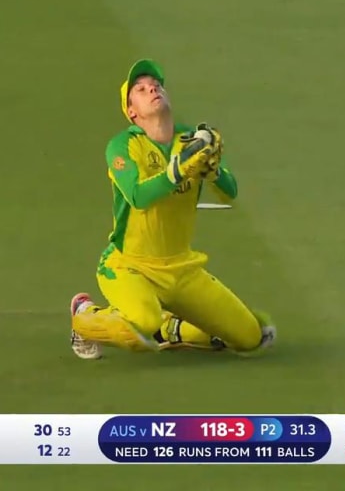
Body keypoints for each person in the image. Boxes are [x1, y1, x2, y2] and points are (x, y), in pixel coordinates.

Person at [70, 58, 276, 359]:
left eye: (156, 85)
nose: (152, 88)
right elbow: (138, 196)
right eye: (140, 89)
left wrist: (213, 171)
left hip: (182, 269)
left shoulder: (190, 140)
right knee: (140, 326)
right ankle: (84, 316)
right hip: (129, 266)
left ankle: (169, 329)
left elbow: (231, 193)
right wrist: (178, 171)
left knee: (251, 337)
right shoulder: (122, 146)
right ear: (132, 112)